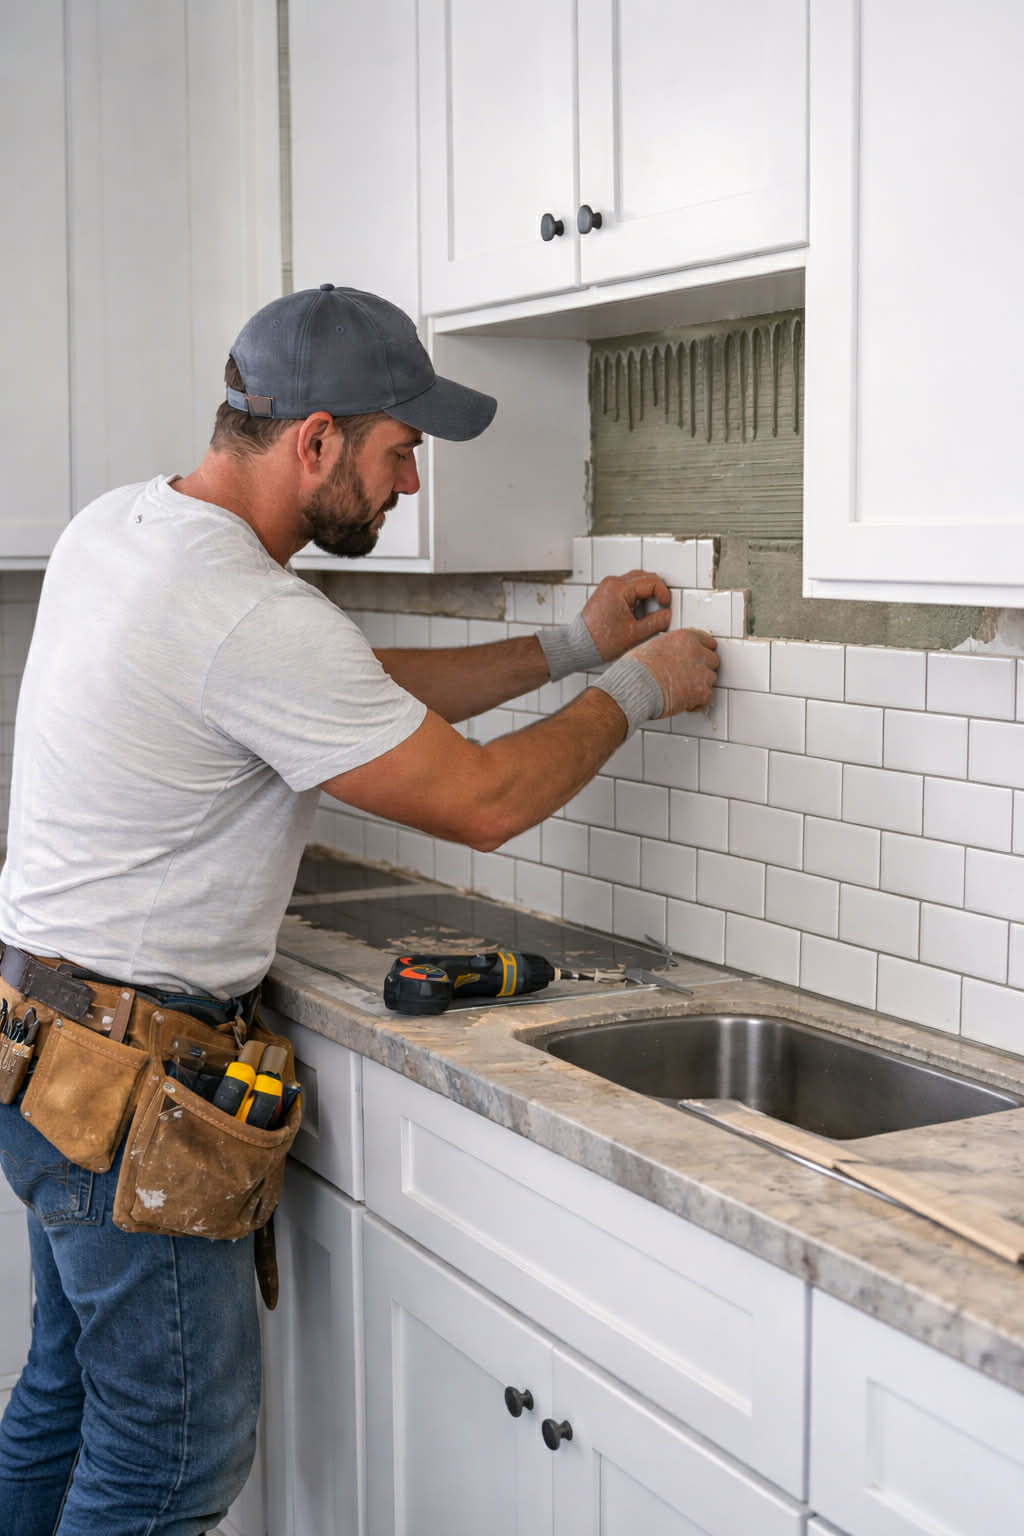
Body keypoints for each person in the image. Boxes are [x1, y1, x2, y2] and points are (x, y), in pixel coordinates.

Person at [0, 283, 719, 1534]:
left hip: (44, 1045)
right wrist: (641, 694)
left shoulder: (122, 527)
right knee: (170, 1465)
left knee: (63, 1401)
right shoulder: (248, 610)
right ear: (316, 439)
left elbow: (353, 685)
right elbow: (485, 801)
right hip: (130, 1088)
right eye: (402, 450)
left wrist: (569, 651)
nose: (412, 485)